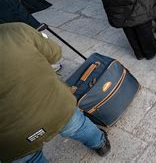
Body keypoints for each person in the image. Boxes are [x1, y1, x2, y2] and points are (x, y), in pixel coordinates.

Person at [0, 22, 110, 162]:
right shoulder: (15, 30)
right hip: (57, 106)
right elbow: (55, 54)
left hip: (12, 138)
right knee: (78, 126)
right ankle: (101, 145)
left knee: (29, 159)